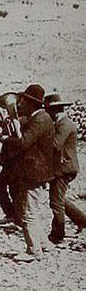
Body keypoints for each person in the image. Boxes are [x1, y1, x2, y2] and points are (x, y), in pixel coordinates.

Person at [10, 84, 55, 262]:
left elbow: (24, 142)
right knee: (33, 209)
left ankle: (33, 250)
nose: (21, 105)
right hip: (36, 170)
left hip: (34, 171)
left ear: (32, 103)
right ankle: (44, 243)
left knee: (28, 211)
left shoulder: (40, 120)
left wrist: (7, 136)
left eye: (24, 102)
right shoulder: (40, 118)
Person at [44, 93, 86, 244]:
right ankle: (82, 220)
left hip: (64, 168)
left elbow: (55, 145)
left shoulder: (64, 124)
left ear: (55, 110)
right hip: (64, 167)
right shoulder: (63, 123)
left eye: (48, 111)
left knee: (55, 202)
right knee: (60, 199)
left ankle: (57, 235)